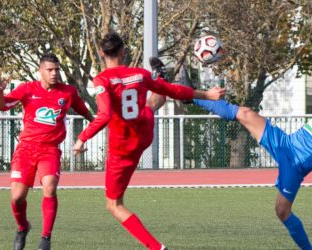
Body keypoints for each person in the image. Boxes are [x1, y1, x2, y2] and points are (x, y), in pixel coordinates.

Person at [72, 32, 225, 250]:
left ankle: (156, 248)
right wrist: (207, 95)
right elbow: (173, 91)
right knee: (152, 103)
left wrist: (81, 138)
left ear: (101, 53)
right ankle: (159, 77)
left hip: (123, 146)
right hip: (144, 133)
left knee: (114, 205)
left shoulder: (102, 80)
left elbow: (104, 114)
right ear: (123, 53)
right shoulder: (140, 74)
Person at [191, 73, 312, 250]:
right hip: (285, 143)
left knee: (282, 211)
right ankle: (191, 97)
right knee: (244, 113)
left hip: (295, 165)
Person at [0, 53, 94, 250]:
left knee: (50, 187)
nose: (54, 73)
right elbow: (2, 106)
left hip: (50, 150)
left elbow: (85, 111)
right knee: (17, 197)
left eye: (57, 69)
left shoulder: (68, 92)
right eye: (50, 70)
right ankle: (22, 228)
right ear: (41, 71)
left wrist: (94, 126)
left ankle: (45, 239)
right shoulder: (27, 89)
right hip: (26, 150)